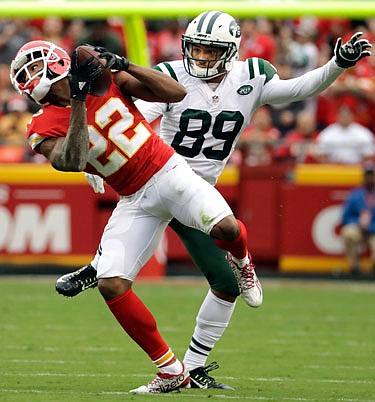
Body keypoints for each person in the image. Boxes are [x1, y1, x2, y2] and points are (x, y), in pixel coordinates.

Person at [55, 10, 372, 389]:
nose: (202, 57)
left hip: (198, 191)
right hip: (158, 178)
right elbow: (127, 118)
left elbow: (298, 89)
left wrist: (338, 63)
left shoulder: (251, 76)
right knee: (134, 263)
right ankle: (103, 266)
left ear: (232, 50)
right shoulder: (171, 75)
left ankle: (193, 365)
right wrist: (96, 156)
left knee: (226, 283)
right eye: (197, 49)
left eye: (211, 50)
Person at [10, 38, 261, 393]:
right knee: (111, 283)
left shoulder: (105, 78)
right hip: (133, 198)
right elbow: (71, 160)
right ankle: (171, 371)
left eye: (34, 66)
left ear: (55, 61)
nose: (29, 76)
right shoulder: (42, 124)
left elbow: (175, 94)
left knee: (227, 226)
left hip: (168, 171)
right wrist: (79, 101)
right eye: (25, 72)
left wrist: (123, 64)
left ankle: (242, 261)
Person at [341, 164, 375, 277]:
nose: (370, 178)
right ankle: (354, 268)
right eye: (368, 176)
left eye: (372, 176)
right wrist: (358, 222)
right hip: (359, 228)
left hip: (373, 230)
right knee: (348, 234)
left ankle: (372, 270)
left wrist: (370, 225)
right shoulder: (356, 195)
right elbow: (345, 216)